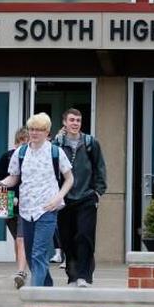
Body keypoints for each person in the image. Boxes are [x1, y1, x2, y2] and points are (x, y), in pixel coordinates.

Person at [0, 113, 73, 288]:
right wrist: (1, 184)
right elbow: (14, 178)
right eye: (32, 129)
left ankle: (35, 295)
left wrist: (58, 197)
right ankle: (47, 288)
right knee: (30, 255)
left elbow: (69, 179)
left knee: (38, 254)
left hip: (47, 209)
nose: (34, 133)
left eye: (39, 130)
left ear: (47, 132)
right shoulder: (20, 153)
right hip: (25, 210)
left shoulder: (55, 152)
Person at [52, 108, 107, 287]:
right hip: (64, 199)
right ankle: (72, 275)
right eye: (72, 120)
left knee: (85, 236)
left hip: (87, 197)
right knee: (67, 239)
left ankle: (84, 275)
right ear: (64, 123)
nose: (75, 123)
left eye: (78, 120)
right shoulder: (57, 144)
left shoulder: (91, 143)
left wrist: (98, 192)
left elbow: (100, 167)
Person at [0, 128, 29, 288]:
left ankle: (21, 272)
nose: (25, 145)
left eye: (28, 142)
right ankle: (20, 269)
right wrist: (11, 198)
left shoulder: (35, 159)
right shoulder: (7, 157)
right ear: (16, 143)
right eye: (22, 142)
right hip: (10, 205)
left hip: (27, 205)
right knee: (18, 239)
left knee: (22, 239)